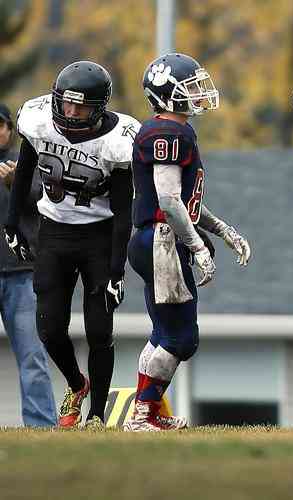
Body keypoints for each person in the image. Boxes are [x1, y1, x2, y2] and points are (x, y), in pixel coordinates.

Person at [4, 61, 140, 429]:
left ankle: (96, 415)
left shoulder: (118, 140)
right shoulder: (37, 121)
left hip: (100, 235)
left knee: (99, 330)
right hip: (54, 231)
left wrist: (116, 270)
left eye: (80, 106)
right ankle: (77, 385)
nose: (70, 112)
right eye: (65, 103)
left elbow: (123, 210)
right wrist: (12, 222)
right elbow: (24, 171)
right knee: (48, 329)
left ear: (98, 108)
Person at [124, 53, 251, 432]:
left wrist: (224, 232)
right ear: (166, 94)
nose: (198, 93)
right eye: (189, 86)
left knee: (164, 333)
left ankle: (151, 411)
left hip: (156, 238)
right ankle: (143, 413)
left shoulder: (179, 131)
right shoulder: (167, 132)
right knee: (182, 338)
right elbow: (168, 200)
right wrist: (196, 246)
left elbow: (186, 201)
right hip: (162, 241)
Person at [0, 103, 57, 427]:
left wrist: (14, 183)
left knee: (32, 357)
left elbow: (48, 202)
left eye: (0, 125)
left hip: (22, 274)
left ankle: (41, 425)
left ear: (10, 129)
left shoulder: (27, 162)